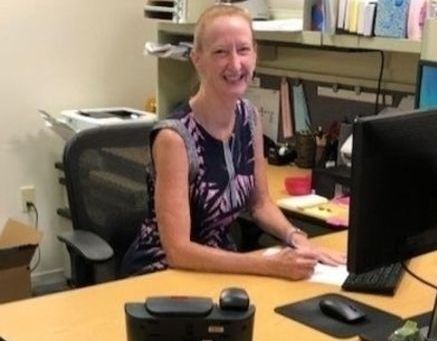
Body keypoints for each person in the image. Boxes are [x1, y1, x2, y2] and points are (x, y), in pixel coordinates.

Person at [121, 4, 343, 280]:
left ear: (255, 54)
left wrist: (298, 239)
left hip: (222, 267)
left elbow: (260, 204)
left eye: (243, 49)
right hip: (161, 273)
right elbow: (178, 251)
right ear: (197, 59)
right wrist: (267, 264)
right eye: (220, 52)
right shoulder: (174, 137)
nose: (236, 64)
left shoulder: (248, 117)